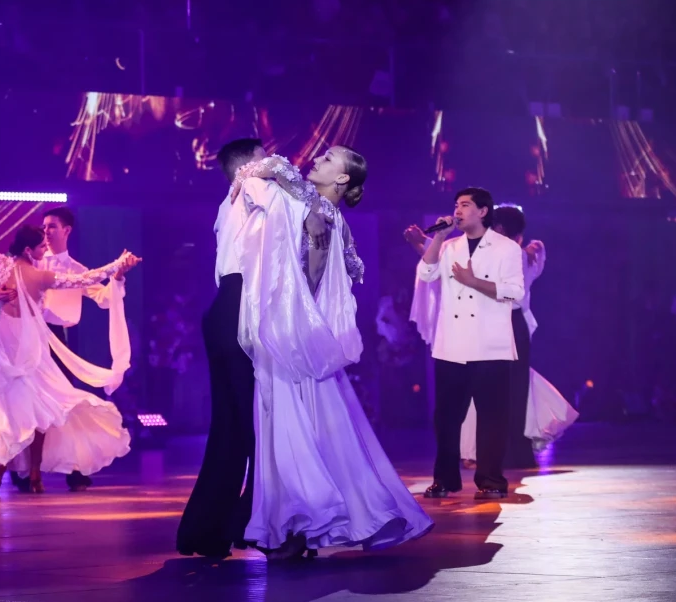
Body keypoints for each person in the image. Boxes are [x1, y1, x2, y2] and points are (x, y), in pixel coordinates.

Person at [230, 146, 433, 559]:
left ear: (343, 178)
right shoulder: (322, 212)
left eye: (328, 159)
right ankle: (306, 523)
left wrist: (290, 327)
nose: (318, 160)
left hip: (295, 340)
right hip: (301, 339)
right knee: (317, 428)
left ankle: (302, 520)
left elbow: (307, 285)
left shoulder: (320, 215)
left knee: (295, 427)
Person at [0, 226, 140, 493]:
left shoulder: (4, 265)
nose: (45, 249)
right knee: (34, 408)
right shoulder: (36, 274)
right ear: (28, 250)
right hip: (19, 347)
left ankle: (11, 468)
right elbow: (84, 279)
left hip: (17, 347)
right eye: (41, 246)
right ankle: (24, 471)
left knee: (18, 406)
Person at [406, 205, 577, 468]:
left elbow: (455, 264)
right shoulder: (521, 255)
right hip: (502, 325)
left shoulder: (511, 256)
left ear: (499, 229)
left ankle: (494, 452)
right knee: (500, 390)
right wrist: (425, 243)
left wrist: (424, 243)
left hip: (503, 324)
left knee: (500, 391)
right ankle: (496, 451)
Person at [176, 138, 266, 559]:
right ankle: (249, 520)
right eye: (265, 157)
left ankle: (208, 528)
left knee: (230, 426)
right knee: (255, 424)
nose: (274, 162)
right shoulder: (254, 190)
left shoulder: (226, 202)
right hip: (242, 306)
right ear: (248, 165)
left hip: (223, 308)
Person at [0, 206, 123, 492]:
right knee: (22, 401)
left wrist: (117, 277)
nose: (47, 231)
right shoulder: (32, 260)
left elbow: (103, 298)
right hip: (24, 336)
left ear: (67, 230)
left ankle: (73, 468)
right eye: (44, 226)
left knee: (62, 403)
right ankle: (22, 469)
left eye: (52, 226)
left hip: (57, 339)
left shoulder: (77, 270)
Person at [413, 188, 525, 501]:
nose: (457, 211)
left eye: (465, 205)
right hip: (452, 345)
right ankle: (444, 479)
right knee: (446, 418)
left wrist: (474, 281)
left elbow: (516, 293)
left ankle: (491, 480)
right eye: (456, 205)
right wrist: (438, 237)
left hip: (491, 345)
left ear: (483, 211)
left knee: (492, 417)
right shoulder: (449, 246)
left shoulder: (506, 248)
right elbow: (426, 273)